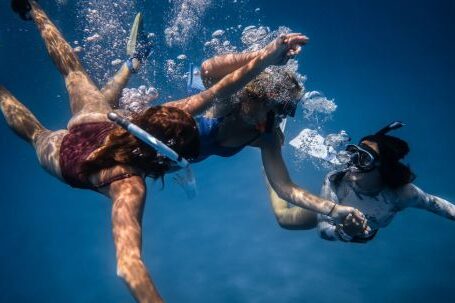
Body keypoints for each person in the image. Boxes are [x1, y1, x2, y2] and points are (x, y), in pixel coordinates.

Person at [2, 1, 315, 302]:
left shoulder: (173, 112)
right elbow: (129, 265)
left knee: (75, 75)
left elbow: (225, 86)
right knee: (36, 133)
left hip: (96, 123)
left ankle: (38, 11)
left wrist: (270, 54)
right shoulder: (129, 184)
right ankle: (124, 67)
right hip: (68, 157)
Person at [105, 14, 367, 226]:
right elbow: (208, 69)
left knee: (151, 162)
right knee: (108, 109)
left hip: (174, 157)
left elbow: (285, 187)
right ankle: (135, 59)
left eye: (282, 111)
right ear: (251, 96)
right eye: (273, 108)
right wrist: (265, 55)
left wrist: (333, 209)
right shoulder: (228, 101)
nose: (275, 118)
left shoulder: (267, 136)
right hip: (168, 124)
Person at [267, 122, 455, 243]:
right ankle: (270, 175)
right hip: (334, 210)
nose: (353, 164)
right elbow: (324, 230)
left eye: (363, 159)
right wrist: (344, 231)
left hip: (366, 229)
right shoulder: (336, 180)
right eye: (353, 154)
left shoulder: (403, 194)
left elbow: (434, 204)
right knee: (284, 218)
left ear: (383, 167)